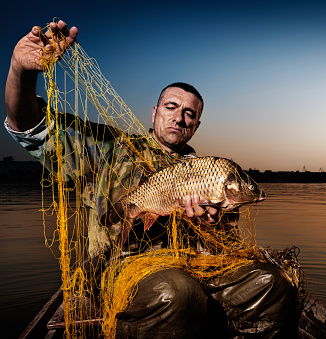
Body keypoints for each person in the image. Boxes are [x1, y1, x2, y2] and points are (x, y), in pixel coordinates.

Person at [5, 20, 298, 338]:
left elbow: (226, 244)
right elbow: (28, 125)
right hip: (124, 269)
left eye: (190, 113)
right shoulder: (109, 146)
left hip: (195, 267)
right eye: (172, 106)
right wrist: (21, 72)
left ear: (196, 125)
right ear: (155, 111)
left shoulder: (210, 174)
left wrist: (211, 225)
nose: (180, 116)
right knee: (177, 291)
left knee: (274, 285)